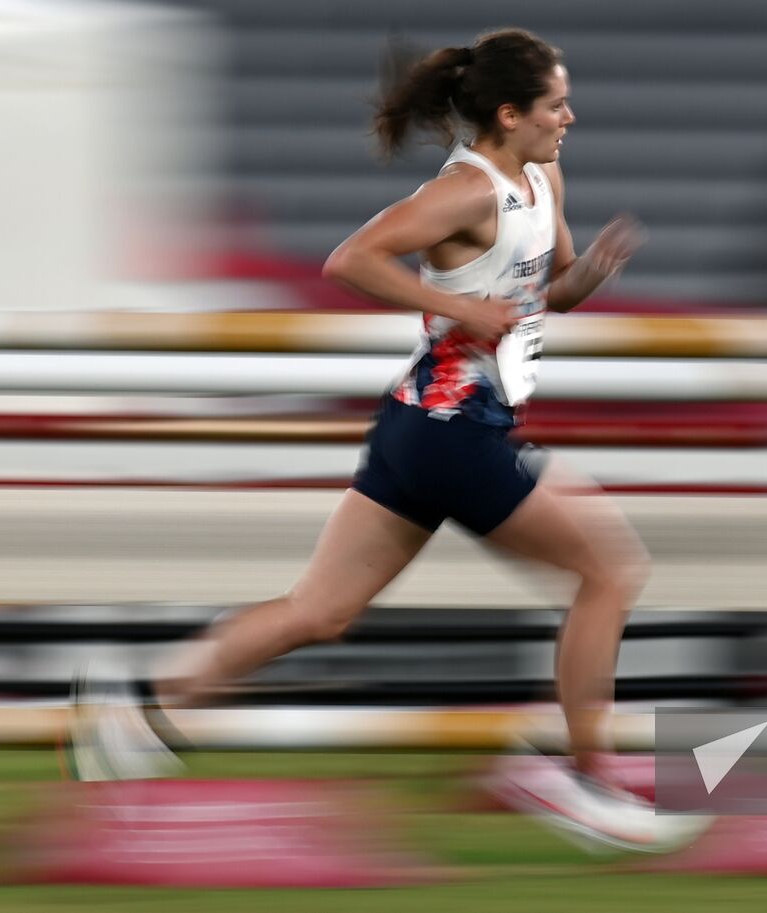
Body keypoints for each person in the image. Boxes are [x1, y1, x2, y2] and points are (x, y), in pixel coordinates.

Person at [69, 27, 706, 853]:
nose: (570, 116)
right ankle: (587, 780)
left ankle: (138, 706)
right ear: (509, 115)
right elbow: (352, 259)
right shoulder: (466, 193)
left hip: (420, 428)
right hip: (453, 433)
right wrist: (466, 311)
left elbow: (553, 289)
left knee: (320, 611)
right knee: (610, 571)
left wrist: (592, 275)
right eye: (556, 104)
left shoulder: (543, 173)